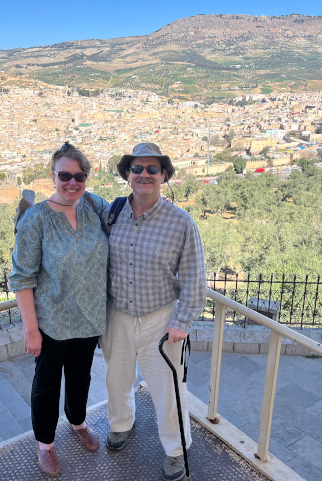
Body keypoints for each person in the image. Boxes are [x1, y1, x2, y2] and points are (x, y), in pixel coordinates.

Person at [101, 142, 206, 481]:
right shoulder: (112, 214)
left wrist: (182, 322)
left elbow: (193, 276)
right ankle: (120, 425)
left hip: (161, 318)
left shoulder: (181, 223)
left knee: (168, 389)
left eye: (151, 169)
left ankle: (176, 450)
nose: (143, 174)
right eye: (137, 168)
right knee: (117, 379)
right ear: (127, 175)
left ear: (163, 175)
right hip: (117, 315)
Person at [9, 143, 109, 476]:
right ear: (53, 176)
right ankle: (46, 444)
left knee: (81, 377)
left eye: (79, 175)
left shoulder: (95, 206)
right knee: (47, 384)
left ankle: (78, 421)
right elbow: (22, 277)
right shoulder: (36, 219)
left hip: (90, 318)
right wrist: (30, 329)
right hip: (51, 322)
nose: (72, 182)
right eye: (64, 175)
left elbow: (131, 217)